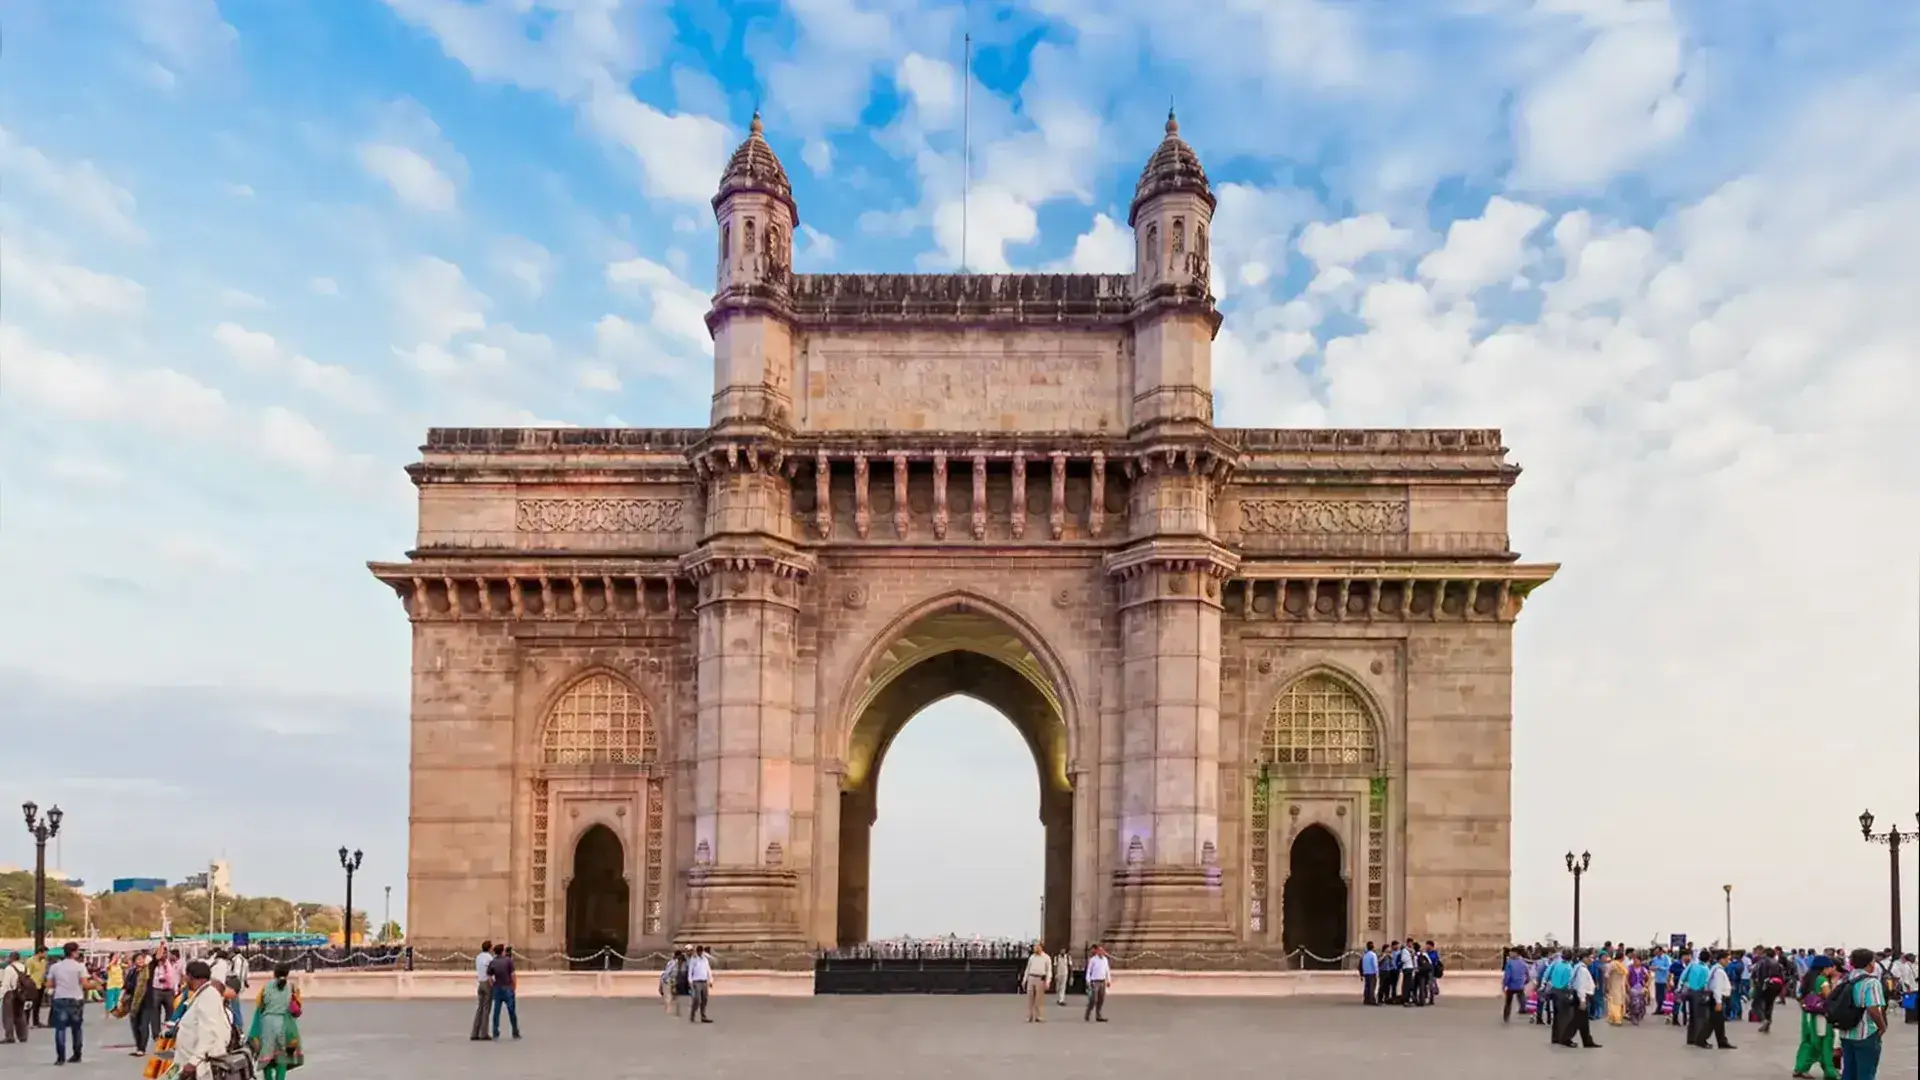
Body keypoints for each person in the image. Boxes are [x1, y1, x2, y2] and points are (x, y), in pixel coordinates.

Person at [168, 959, 237, 1079]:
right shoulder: (202, 994)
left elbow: (209, 1032)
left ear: (191, 977)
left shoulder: (208, 996)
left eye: (186, 977)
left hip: (201, 1065)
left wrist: (194, 1062)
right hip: (194, 1062)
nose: (184, 980)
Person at [1834, 946, 1888, 1080]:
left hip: (1846, 1032)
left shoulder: (1845, 979)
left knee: (1849, 1072)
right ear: (1870, 963)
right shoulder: (1871, 982)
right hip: (1866, 1033)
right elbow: (1873, 1009)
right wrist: (1882, 1027)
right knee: (1866, 1073)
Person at [246, 962, 304, 1080]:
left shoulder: (266, 987)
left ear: (274, 973)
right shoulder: (292, 987)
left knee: (267, 1058)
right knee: (282, 1059)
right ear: (287, 974)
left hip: (268, 1026)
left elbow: (259, 1005)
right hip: (285, 1025)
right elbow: (297, 1007)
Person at [46, 941, 98, 1066]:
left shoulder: (55, 967)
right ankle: (76, 1054)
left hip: (60, 998)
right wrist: (96, 985)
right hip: (76, 999)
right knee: (76, 1028)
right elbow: (85, 984)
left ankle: (60, 1057)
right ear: (74, 952)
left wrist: (60, 983)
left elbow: (49, 984)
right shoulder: (79, 966)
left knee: (60, 1029)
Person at [1795, 956, 1840, 1080]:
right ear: (1824, 968)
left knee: (1807, 1041)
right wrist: (1835, 983)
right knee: (1823, 1043)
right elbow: (1830, 997)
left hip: (1808, 1015)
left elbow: (1799, 996)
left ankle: (1800, 1067)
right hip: (1821, 1017)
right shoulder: (1822, 980)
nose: (1832, 969)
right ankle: (1829, 1071)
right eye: (1830, 967)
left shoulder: (1807, 979)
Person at [1564, 949, 1601, 1049]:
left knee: (1582, 1021)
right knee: (1577, 1020)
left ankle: (1587, 1040)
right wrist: (1582, 1000)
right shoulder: (1582, 970)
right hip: (1581, 996)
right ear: (1584, 958)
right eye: (1590, 958)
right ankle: (1566, 1038)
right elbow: (1581, 986)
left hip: (1580, 996)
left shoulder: (1578, 967)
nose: (1591, 960)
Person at [488, 943, 521, 1040]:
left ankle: (495, 1032)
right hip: (507, 988)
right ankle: (515, 1031)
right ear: (502, 951)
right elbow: (513, 975)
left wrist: (493, 986)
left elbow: (489, 977)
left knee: (496, 1012)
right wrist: (514, 986)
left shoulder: (493, 962)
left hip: (497, 988)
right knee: (512, 1011)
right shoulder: (508, 961)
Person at [469, 941, 494, 1041]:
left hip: (480, 982)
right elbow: (490, 970)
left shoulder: (478, 957)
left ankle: (474, 1032)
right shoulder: (489, 958)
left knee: (479, 1008)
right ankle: (484, 1033)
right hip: (487, 983)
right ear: (489, 948)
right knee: (486, 1009)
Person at [1021, 943, 1052, 1023]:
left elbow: (1049, 971)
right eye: (1035, 947)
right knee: (1030, 998)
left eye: (1037, 947)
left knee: (1039, 999)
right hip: (1031, 977)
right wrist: (1025, 980)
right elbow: (1028, 969)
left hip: (1040, 978)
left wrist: (1048, 982)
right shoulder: (1032, 957)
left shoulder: (1046, 958)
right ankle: (1029, 1015)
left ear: (1041, 948)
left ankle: (1039, 1016)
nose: (1035, 949)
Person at [1, 951, 26, 1043]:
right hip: (21, 993)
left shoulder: (9, 968)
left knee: (8, 1016)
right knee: (20, 1014)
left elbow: (6, 984)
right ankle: (23, 1036)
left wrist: (1, 995)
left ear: (11, 958)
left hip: (10, 993)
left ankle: (9, 1036)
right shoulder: (24, 967)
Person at [1083, 944, 1111, 1022]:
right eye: (1100, 950)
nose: (1101, 952)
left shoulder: (1105, 960)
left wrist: (1109, 980)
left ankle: (1098, 1015)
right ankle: (1088, 1012)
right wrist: (1088, 980)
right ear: (1097, 951)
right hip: (1095, 981)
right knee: (1094, 999)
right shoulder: (1093, 960)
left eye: (1102, 951)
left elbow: (1107, 970)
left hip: (1102, 981)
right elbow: (1089, 971)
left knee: (1101, 999)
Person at [686, 945, 713, 1024]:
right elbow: (690, 971)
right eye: (699, 951)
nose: (700, 953)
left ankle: (703, 1016)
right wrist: (690, 981)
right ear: (697, 951)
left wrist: (710, 980)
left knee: (704, 999)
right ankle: (693, 1014)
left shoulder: (705, 960)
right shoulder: (693, 959)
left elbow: (708, 970)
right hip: (696, 981)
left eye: (701, 951)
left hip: (704, 981)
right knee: (697, 999)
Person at [1500, 946, 1528, 1022]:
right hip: (1520, 985)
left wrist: (1504, 985)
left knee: (1508, 1003)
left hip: (1511, 985)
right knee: (1522, 997)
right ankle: (1524, 1008)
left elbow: (1507, 975)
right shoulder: (1523, 963)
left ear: (1516, 953)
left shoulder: (1509, 963)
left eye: (1511, 952)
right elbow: (1527, 973)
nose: (1510, 954)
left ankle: (1506, 1017)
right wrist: (1525, 981)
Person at [1625, 951, 1650, 1025]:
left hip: (1641, 988)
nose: (1635, 962)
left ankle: (1640, 1013)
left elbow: (1649, 977)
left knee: (1641, 1003)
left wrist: (1647, 984)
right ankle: (1634, 1016)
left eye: (1637, 960)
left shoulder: (1643, 969)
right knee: (1634, 1003)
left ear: (1640, 961)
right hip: (1633, 988)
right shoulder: (1630, 968)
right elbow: (1626, 978)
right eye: (1634, 960)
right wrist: (1628, 986)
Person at [1605, 950, 1628, 1026]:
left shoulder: (1614, 964)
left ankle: (1614, 1018)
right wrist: (1608, 985)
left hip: (1617, 985)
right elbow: (1607, 975)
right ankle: (1616, 1018)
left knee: (1616, 1001)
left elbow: (1607, 975)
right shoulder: (1617, 965)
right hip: (1616, 984)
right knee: (1616, 1001)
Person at [659, 949, 684, 1016]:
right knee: (668, 996)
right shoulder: (673, 963)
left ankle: (674, 1011)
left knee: (674, 996)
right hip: (668, 980)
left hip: (672, 980)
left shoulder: (676, 962)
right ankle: (668, 1011)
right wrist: (666, 981)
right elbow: (667, 972)